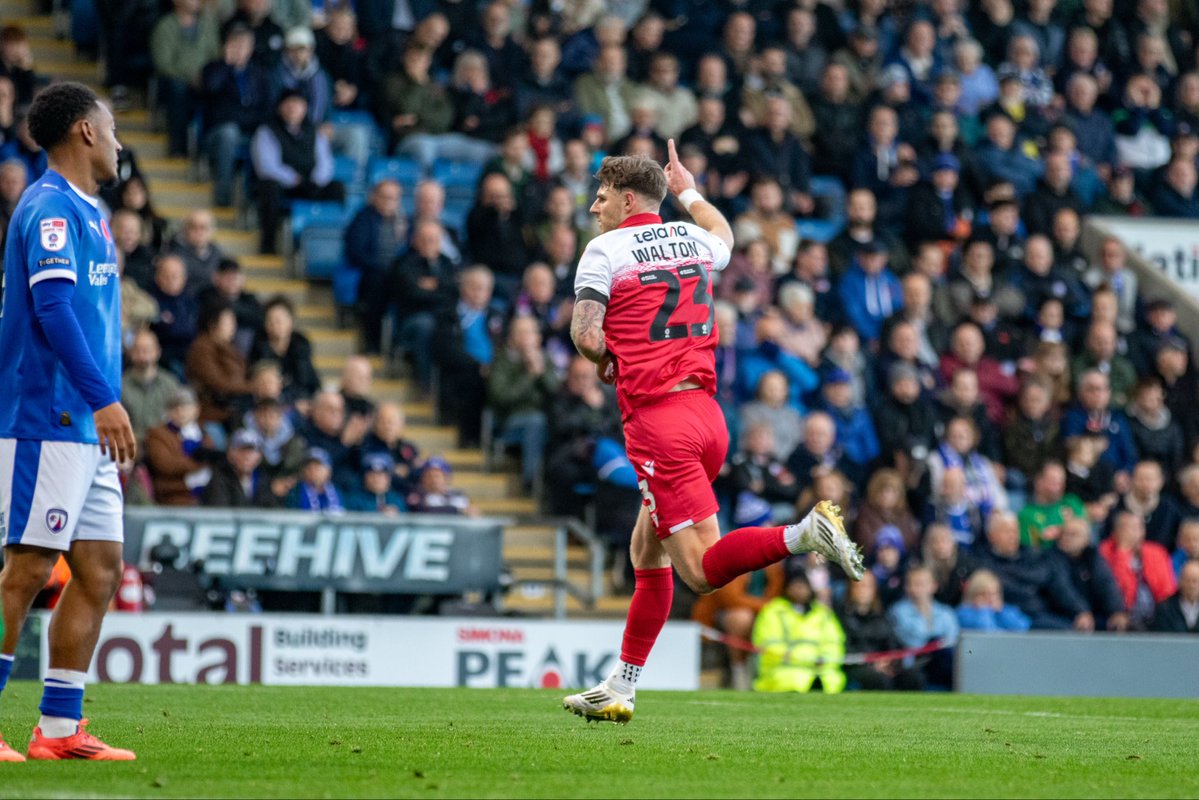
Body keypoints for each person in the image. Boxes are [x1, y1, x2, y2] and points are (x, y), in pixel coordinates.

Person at [562, 144, 863, 725]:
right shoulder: (692, 238)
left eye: (601, 196)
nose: (593, 206)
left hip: (658, 423)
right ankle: (621, 685)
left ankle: (803, 533)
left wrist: (609, 359)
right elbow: (721, 232)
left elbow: (584, 332)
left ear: (628, 200)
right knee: (644, 550)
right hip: (706, 416)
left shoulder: (603, 250)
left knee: (698, 572)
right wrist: (690, 190)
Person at [0, 82, 137, 761]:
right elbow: (52, 311)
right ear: (85, 132)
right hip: (48, 416)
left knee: (100, 568)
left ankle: (58, 729)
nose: (117, 142)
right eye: (110, 128)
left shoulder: (94, 212)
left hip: (86, 425)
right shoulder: (51, 208)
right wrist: (104, 396)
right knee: (26, 568)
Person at [752, 560, 847, 694]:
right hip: (785, 669)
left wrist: (824, 659)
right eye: (795, 586)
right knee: (792, 679)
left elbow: (834, 643)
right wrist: (803, 658)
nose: (799, 590)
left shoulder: (822, 613)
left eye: (803, 586)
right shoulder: (773, 611)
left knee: (831, 679)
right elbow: (767, 644)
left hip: (819, 669)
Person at [956, 569, 1032, 631]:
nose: (991, 598)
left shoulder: (1005, 610)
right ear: (974, 594)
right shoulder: (964, 613)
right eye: (984, 594)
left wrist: (1002, 612)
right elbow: (986, 631)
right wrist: (984, 610)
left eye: (994, 594)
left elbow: (1023, 627)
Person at [1151, 559, 1199, 633]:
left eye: (1195, 581)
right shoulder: (1165, 609)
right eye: (1188, 580)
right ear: (1180, 582)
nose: (1192, 585)